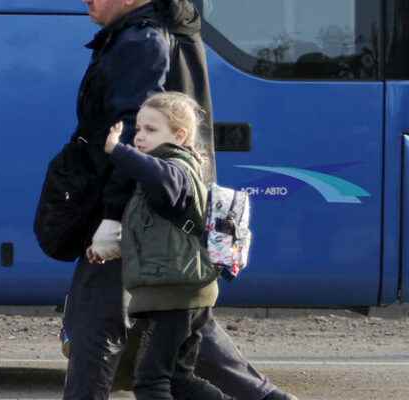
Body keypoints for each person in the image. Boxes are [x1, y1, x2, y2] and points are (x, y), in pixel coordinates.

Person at [63, 1, 296, 399]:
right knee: (185, 334)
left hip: (148, 228)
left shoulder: (143, 41)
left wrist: (113, 214)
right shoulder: (156, 32)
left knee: (106, 332)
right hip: (165, 249)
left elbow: (140, 139)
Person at [101, 91, 228, 400]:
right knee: (178, 380)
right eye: (139, 129)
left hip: (176, 295)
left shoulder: (176, 167)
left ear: (180, 135)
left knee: (150, 382)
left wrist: (118, 150)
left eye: (151, 130)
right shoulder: (167, 168)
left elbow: (160, 177)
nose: (140, 136)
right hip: (179, 291)